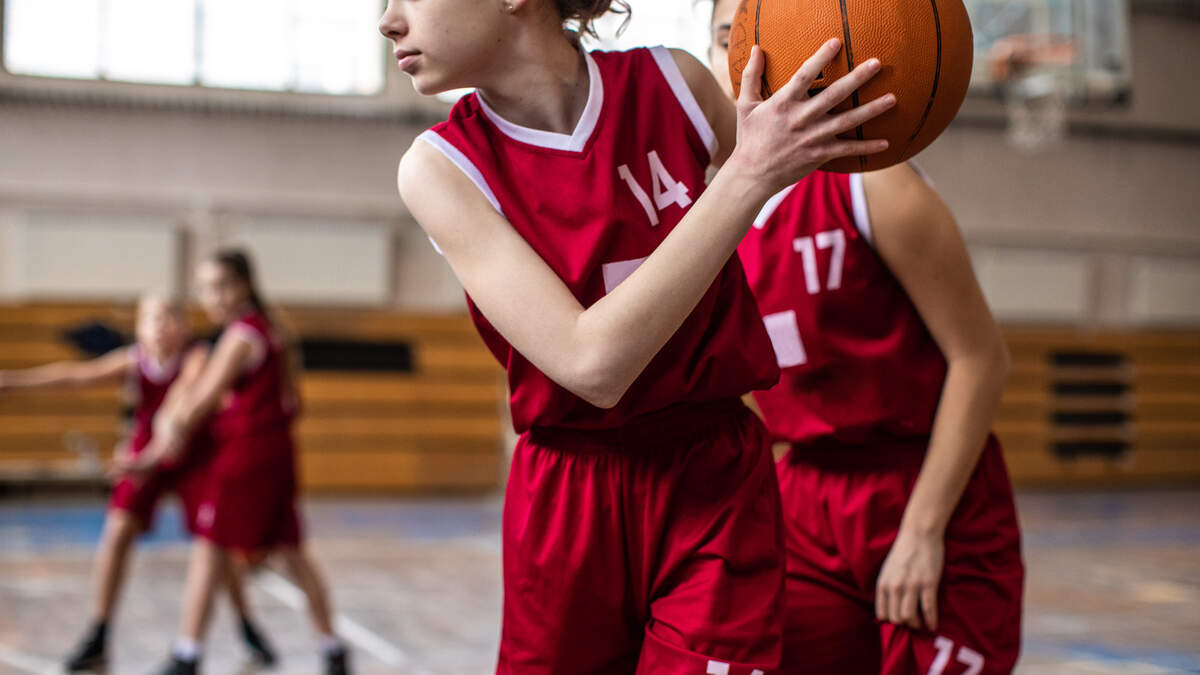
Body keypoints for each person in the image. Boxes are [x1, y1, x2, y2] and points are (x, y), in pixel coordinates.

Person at [379, 0, 893, 671]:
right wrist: (746, 174)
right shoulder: (440, 167)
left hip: (713, 476)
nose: (389, 20)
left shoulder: (677, 84)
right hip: (568, 494)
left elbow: (787, 173)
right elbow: (591, 364)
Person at [708, 2, 1026, 672]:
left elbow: (982, 359)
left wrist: (923, 528)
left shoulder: (876, 185)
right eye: (727, 44)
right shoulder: (715, 217)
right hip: (806, 497)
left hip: (926, 483)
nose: (752, 69)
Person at [0, 294, 276, 672]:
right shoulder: (136, 361)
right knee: (116, 533)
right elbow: (75, 375)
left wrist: (161, 438)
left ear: (184, 324)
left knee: (216, 549)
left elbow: (179, 401)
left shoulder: (197, 358)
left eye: (168, 317)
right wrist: (13, 383)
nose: (161, 326)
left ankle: (245, 623)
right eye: (152, 319)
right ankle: (99, 630)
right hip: (145, 454)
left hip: (193, 455)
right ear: (140, 328)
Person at [124, 251, 348, 675]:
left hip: (247, 456)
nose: (213, 297)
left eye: (220, 286)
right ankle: (332, 649)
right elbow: (294, 402)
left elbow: (201, 400)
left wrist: (154, 451)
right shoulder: (272, 331)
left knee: (209, 548)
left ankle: (186, 655)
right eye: (206, 288)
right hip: (278, 454)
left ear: (243, 285)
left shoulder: (241, 336)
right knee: (294, 554)